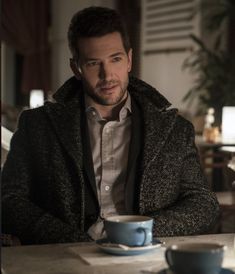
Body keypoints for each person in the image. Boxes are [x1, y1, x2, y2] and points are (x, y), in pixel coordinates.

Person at [2, 6, 219, 245]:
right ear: (77, 68)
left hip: (145, 256)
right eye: (94, 63)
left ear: (129, 60)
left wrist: (140, 231)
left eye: (115, 59)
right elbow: (8, 200)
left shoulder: (175, 129)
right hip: (66, 258)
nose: (107, 75)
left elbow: (202, 203)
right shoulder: (38, 126)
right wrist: (71, 239)